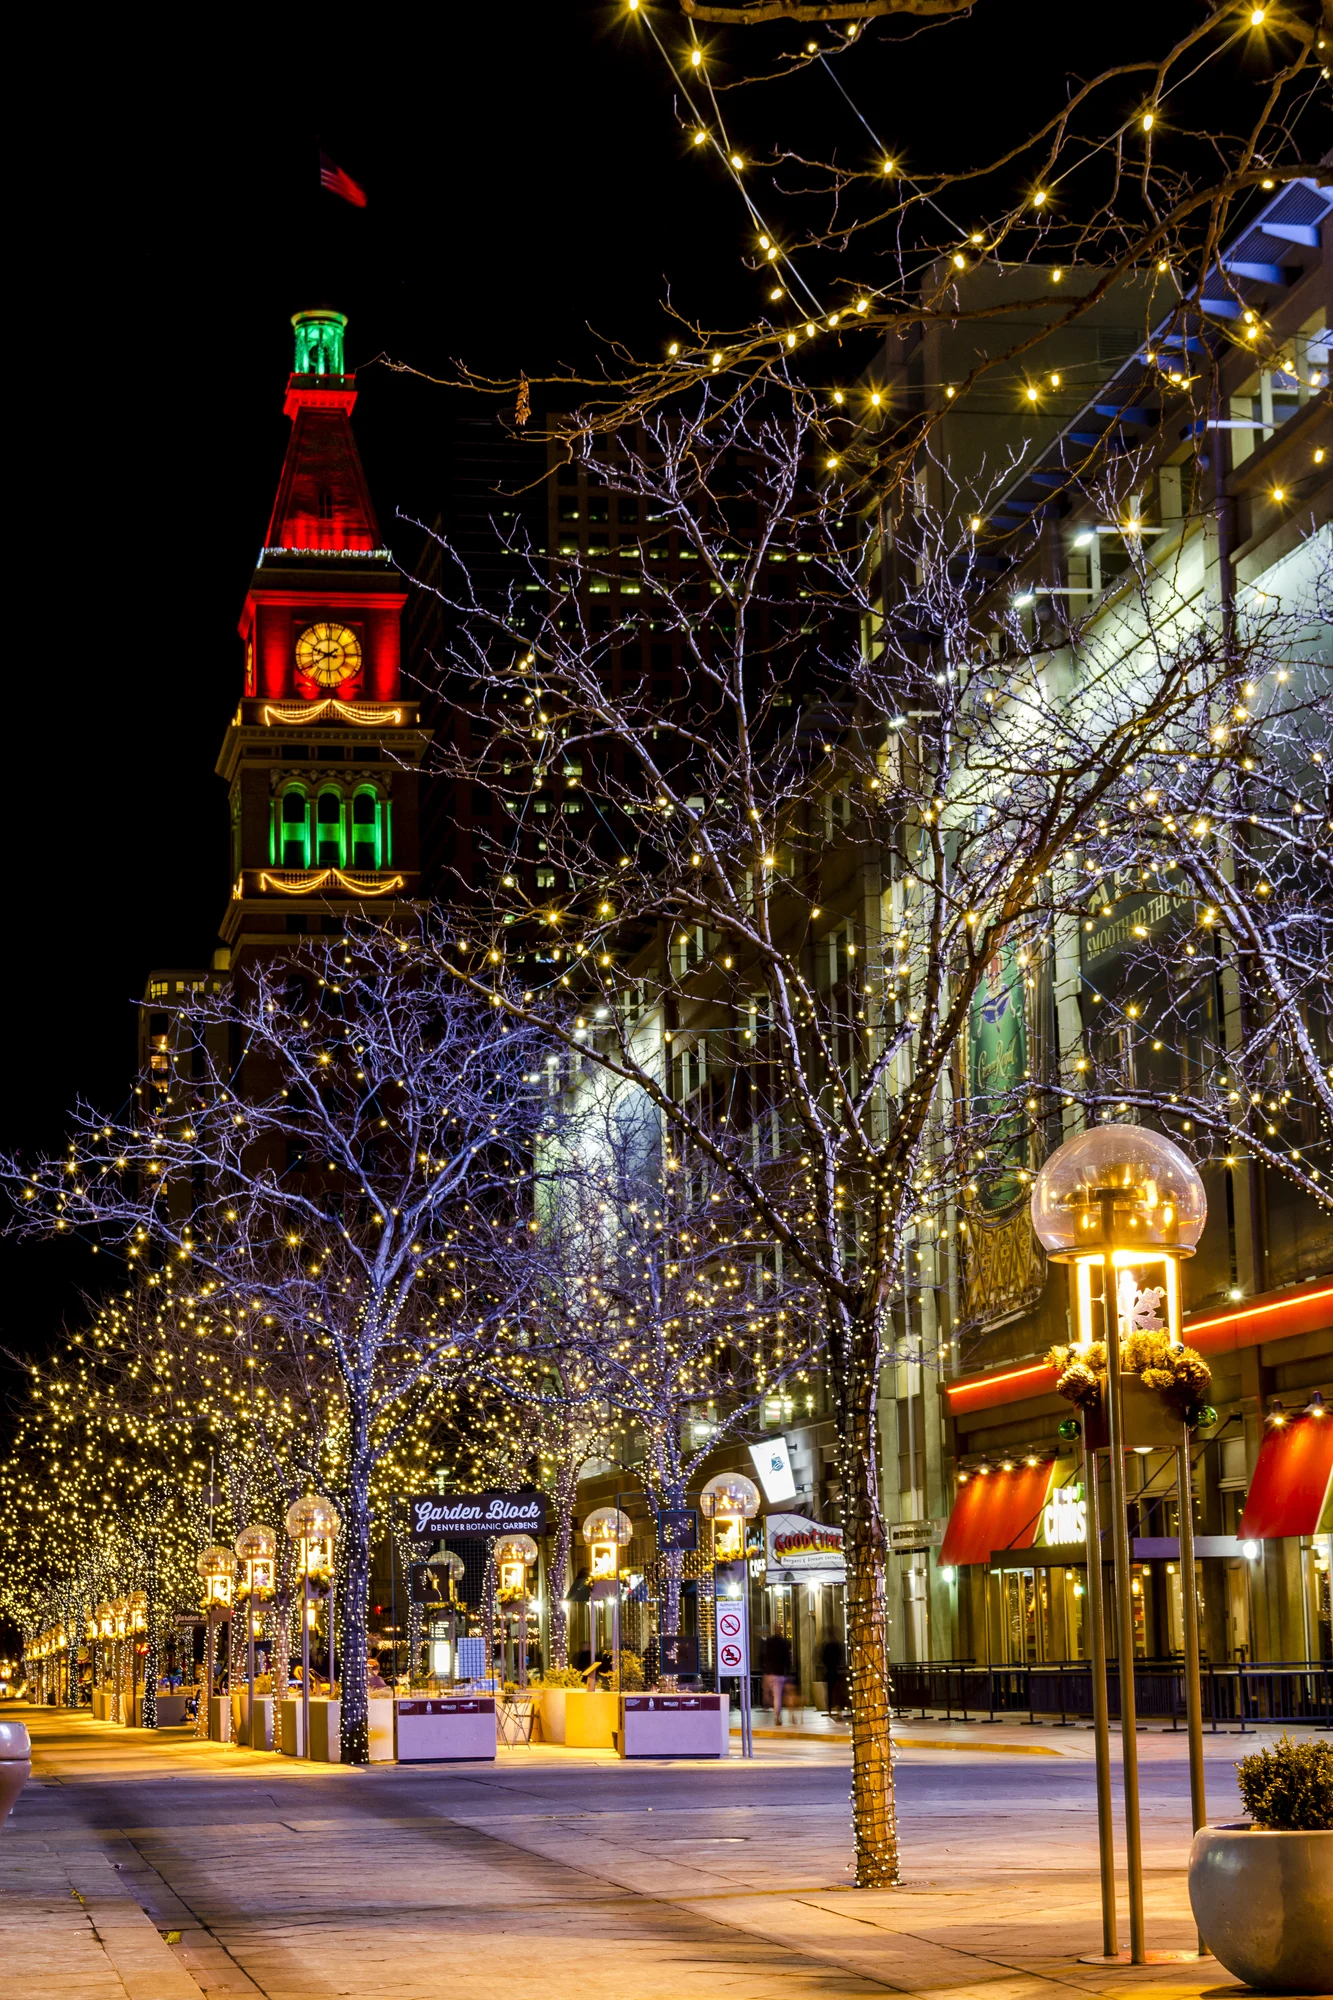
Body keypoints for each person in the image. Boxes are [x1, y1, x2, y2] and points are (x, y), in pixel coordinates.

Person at [758, 1629, 793, 1725]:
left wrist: (762, 1667)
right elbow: (787, 1659)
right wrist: (788, 1671)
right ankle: (777, 1716)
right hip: (778, 1673)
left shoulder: (768, 1643)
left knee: (766, 1691)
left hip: (768, 1672)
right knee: (777, 1696)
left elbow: (762, 1656)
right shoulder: (783, 1643)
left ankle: (766, 1703)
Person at [821, 1635, 848, 1719]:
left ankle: (830, 1710)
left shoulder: (826, 1647)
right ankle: (838, 1710)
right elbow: (841, 1658)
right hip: (836, 1671)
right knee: (838, 1693)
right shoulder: (837, 1646)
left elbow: (822, 1658)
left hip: (830, 1672)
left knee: (830, 1693)